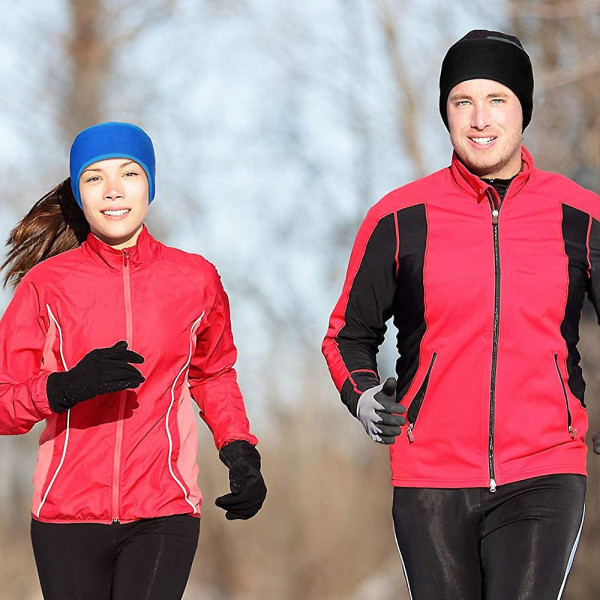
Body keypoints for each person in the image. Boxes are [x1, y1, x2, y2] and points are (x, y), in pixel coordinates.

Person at [322, 30, 599, 599]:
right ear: (445, 113)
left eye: (497, 99)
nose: (479, 119)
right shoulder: (399, 218)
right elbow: (348, 335)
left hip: (545, 469)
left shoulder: (579, 215)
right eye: (462, 101)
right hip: (431, 477)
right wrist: (366, 396)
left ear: (523, 110)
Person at [0, 121, 266, 600]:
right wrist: (63, 388)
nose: (114, 190)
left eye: (130, 173)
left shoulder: (195, 278)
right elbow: (3, 403)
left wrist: (239, 449)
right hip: (65, 514)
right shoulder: (47, 284)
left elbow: (214, 373)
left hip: (164, 510)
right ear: (79, 193)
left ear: (151, 185)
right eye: (95, 177)